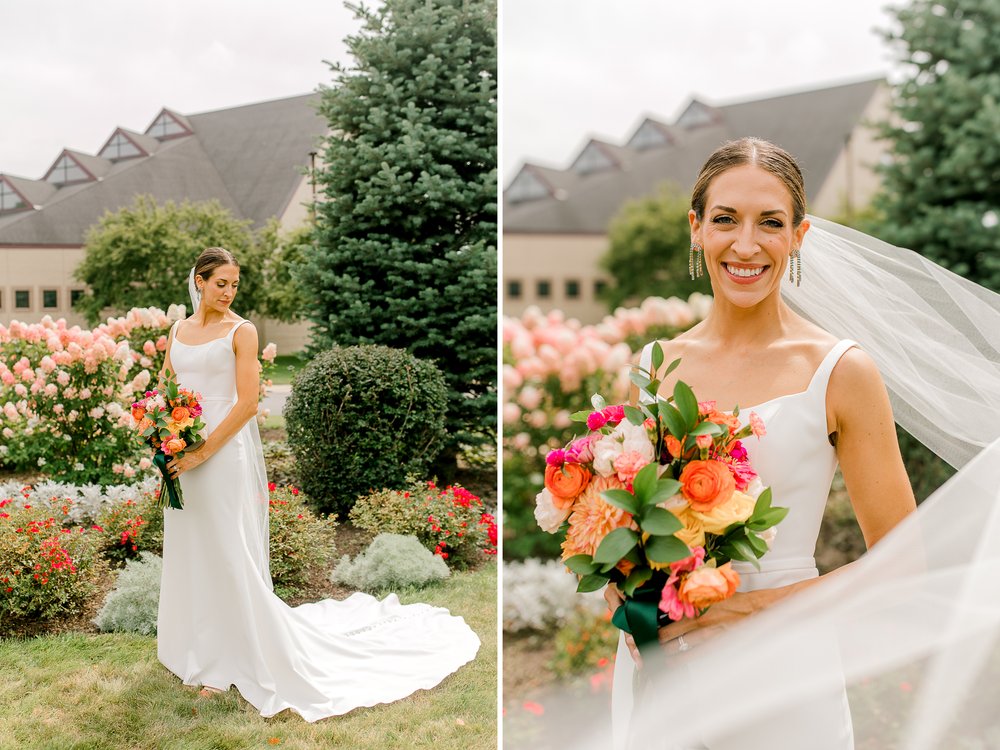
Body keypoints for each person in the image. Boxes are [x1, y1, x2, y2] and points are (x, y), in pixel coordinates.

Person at [604, 138, 918, 749]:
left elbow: (905, 562)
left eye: (770, 223)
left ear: (798, 236)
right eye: (725, 220)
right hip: (661, 664)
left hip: (786, 669)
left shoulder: (842, 370)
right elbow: (635, 511)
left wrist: (744, 612)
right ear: (696, 229)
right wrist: (624, 575)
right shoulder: (655, 363)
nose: (745, 245)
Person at [155, 247, 480, 720]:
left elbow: (246, 404)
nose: (228, 292)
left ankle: (226, 660)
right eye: (220, 283)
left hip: (222, 456)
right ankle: (192, 645)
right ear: (199, 281)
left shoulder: (241, 332)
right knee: (192, 547)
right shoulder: (177, 331)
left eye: (235, 284)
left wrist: (203, 450)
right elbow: (165, 388)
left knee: (228, 551)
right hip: (181, 456)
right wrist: (163, 439)